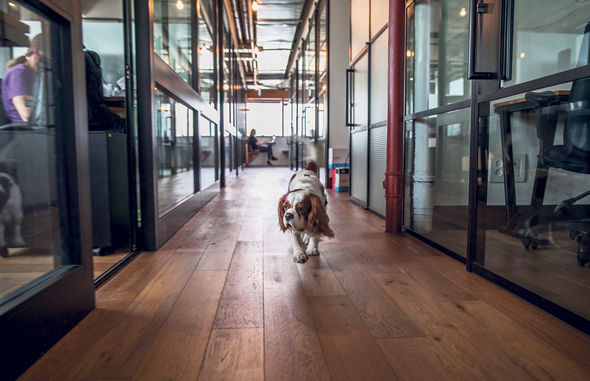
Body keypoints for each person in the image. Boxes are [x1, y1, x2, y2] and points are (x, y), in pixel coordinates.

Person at [1, 34, 43, 123]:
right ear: (37, 52)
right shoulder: (18, 73)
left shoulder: (40, 74)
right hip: (24, 131)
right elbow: (27, 115)